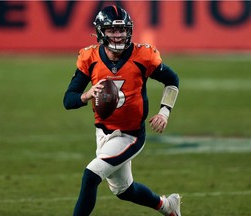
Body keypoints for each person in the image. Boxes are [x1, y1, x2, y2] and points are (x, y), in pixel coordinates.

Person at [63, 5, 181, 216]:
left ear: (129, 31)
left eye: (122, 30)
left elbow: (172, 80)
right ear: (101, 32)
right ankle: (167, 206)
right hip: (103, 131)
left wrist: (164, 112)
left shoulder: (143, 55)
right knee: (124, 190)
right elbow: (68, 99)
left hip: (130, 135)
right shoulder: (90, 57)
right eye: (112, 30)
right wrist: (86, 95)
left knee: (90, 176)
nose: (118, 35)